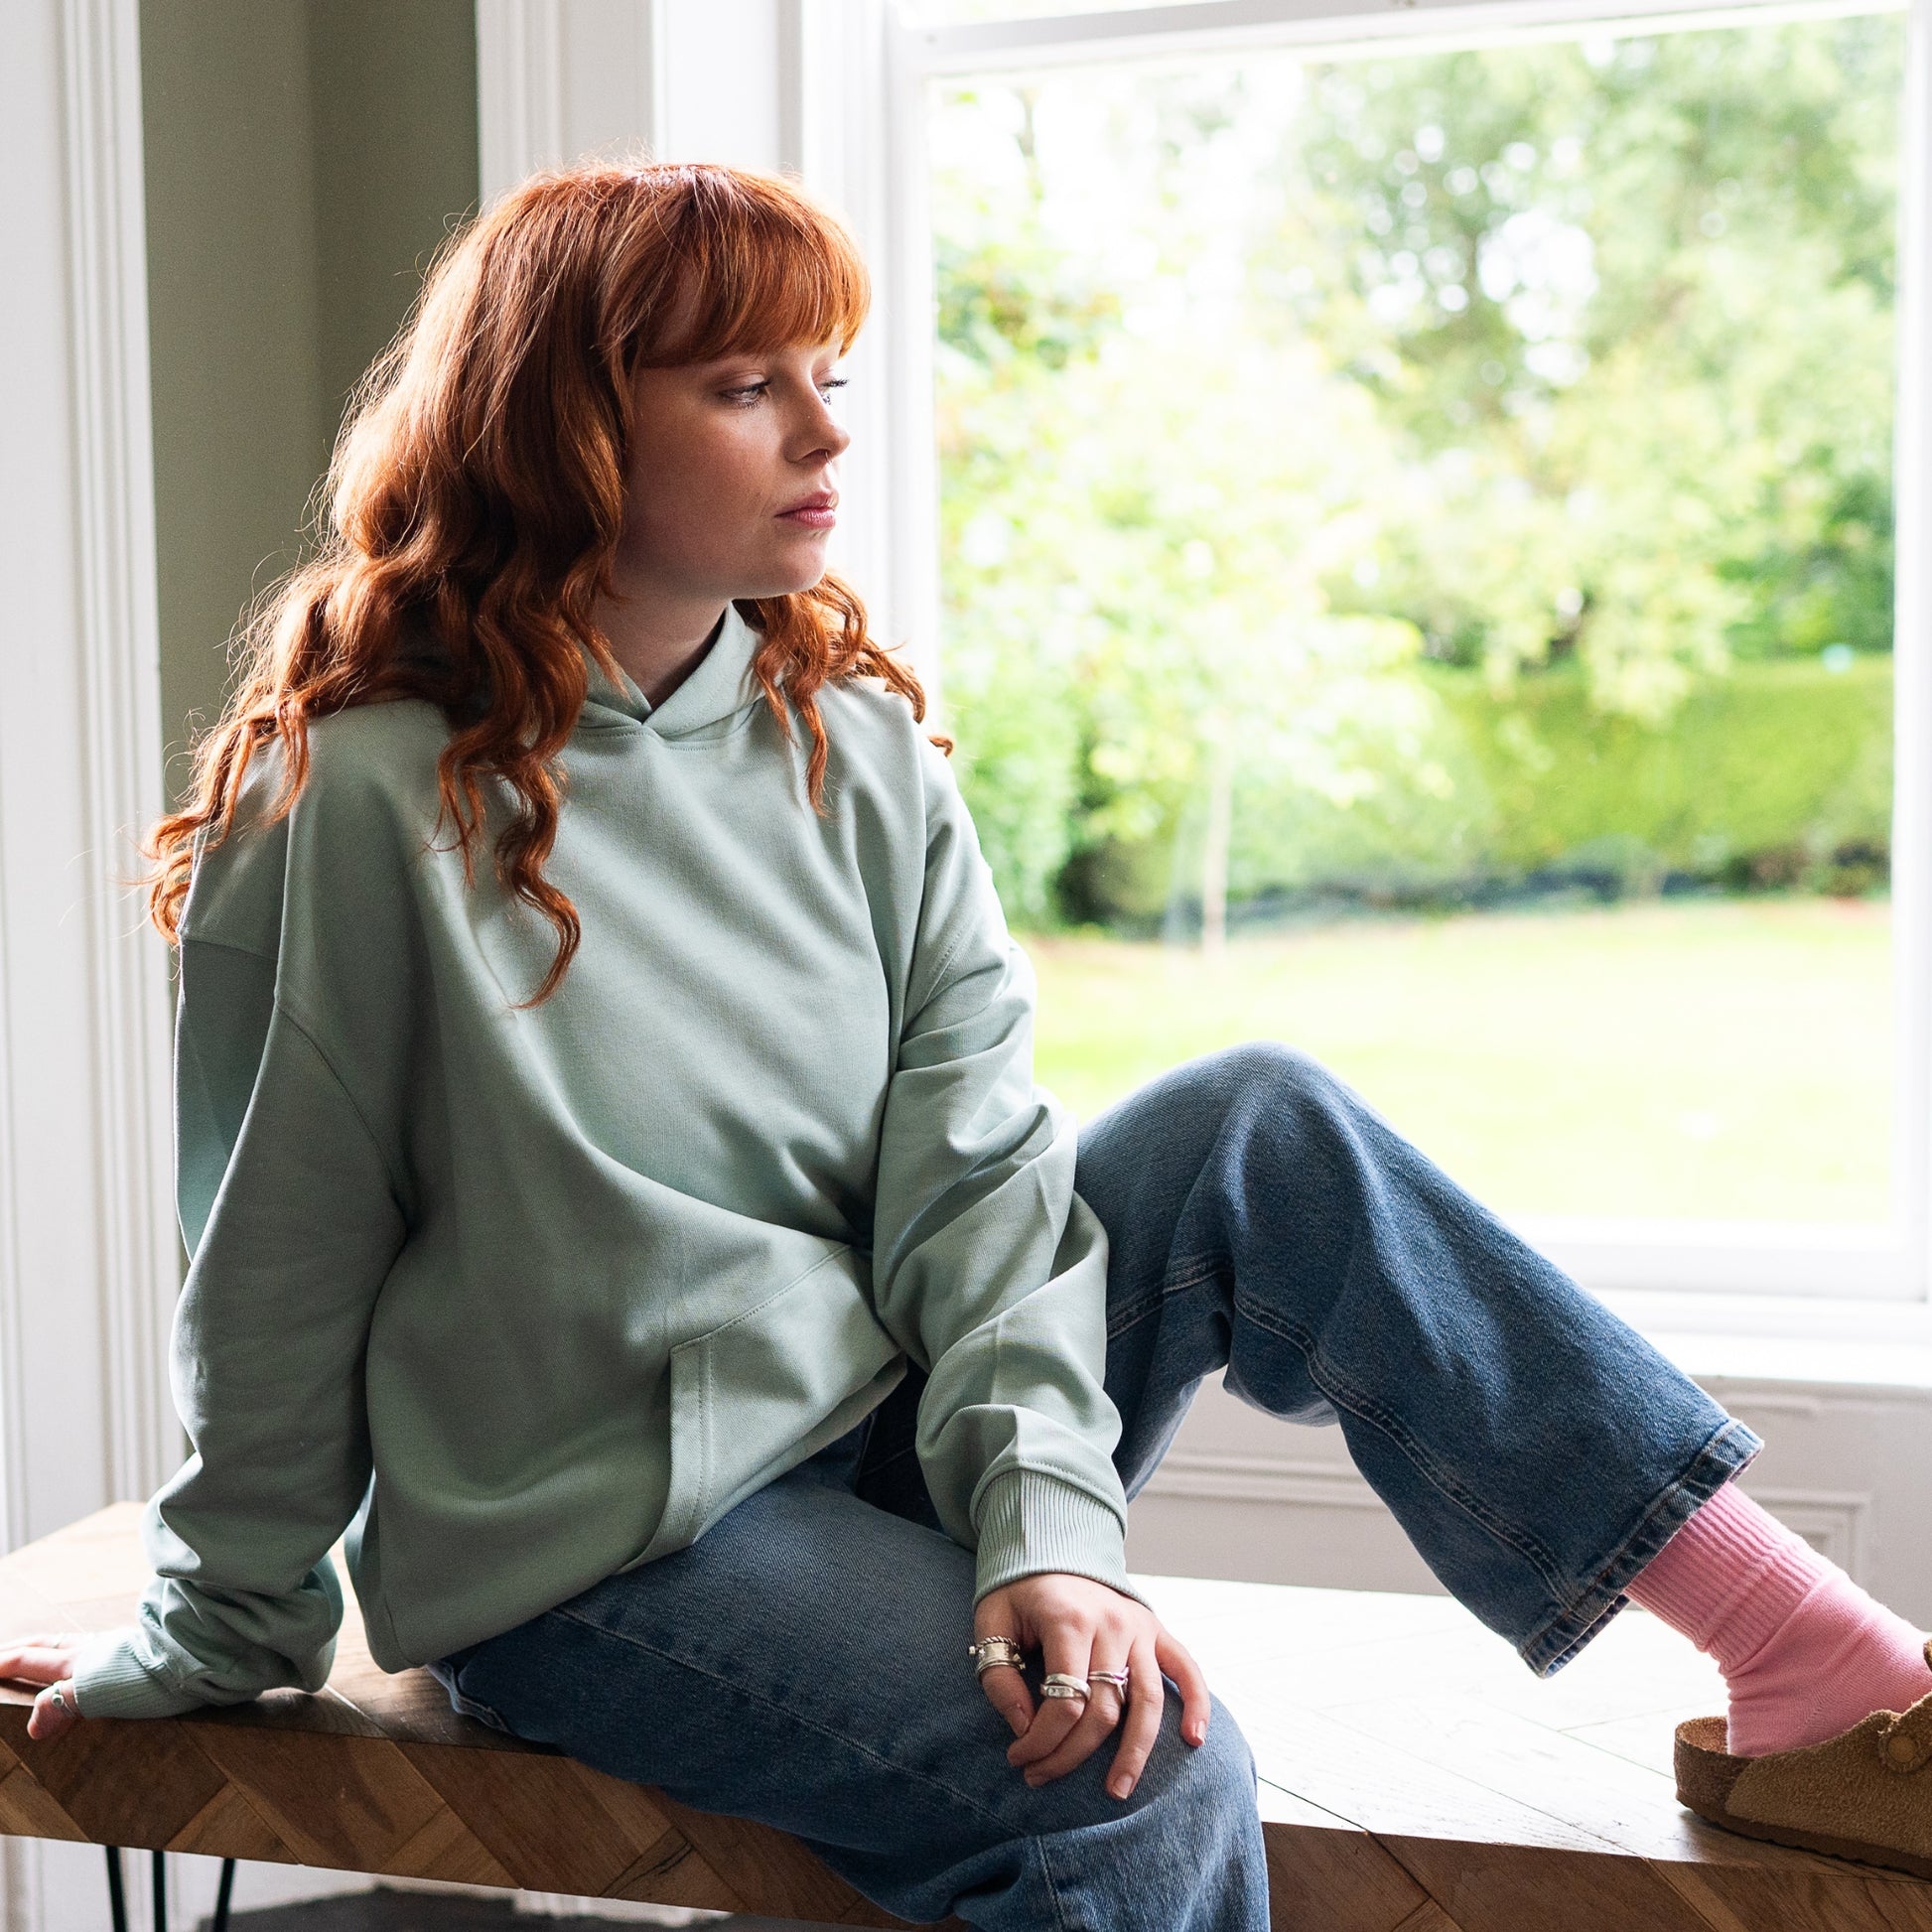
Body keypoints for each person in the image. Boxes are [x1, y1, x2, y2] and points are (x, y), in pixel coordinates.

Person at [4, 161, 1927, 1929]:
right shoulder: (359, 804)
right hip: (605, 1551)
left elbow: (985, 1187)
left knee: (1258, 1128)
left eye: (825, 369)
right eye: (746, 382)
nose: (827, 428)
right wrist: (219, 1619)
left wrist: (1048, 1529)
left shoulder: (854, 748)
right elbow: (271, 1267)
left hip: (869, 1431)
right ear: (569, 429)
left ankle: (1819, 1673)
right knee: (1135, 1783)